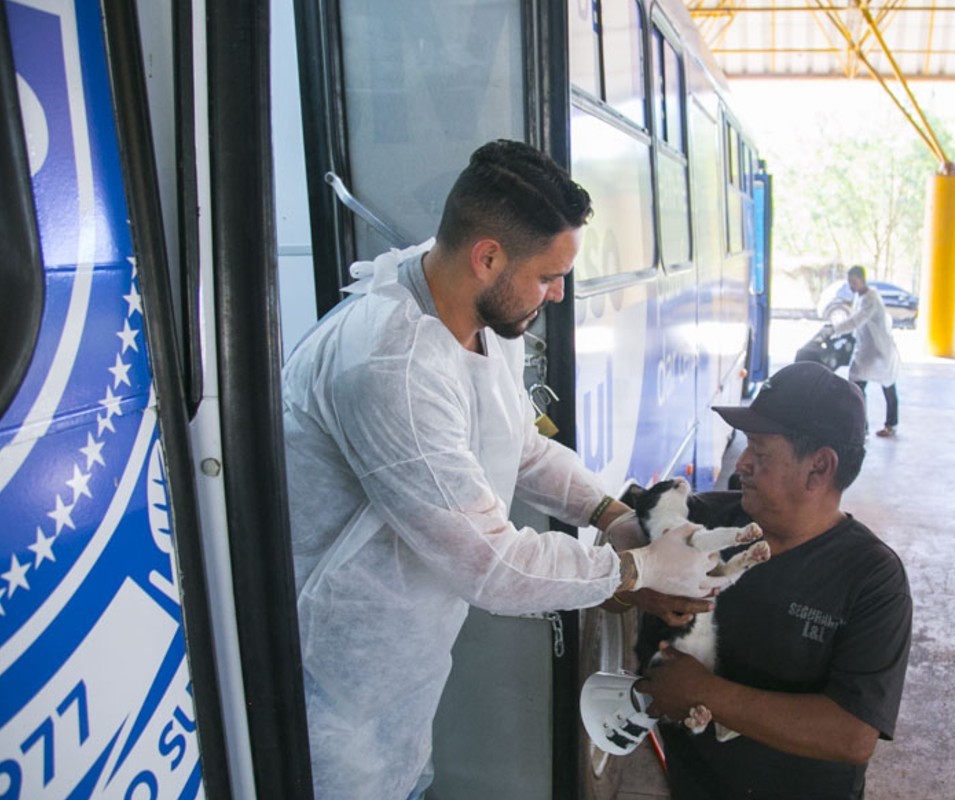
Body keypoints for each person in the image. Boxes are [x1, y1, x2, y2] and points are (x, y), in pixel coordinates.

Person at [282, 140, 726, 799]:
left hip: (406, 666)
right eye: (548, 276)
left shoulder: (481, 321)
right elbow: (493, 566)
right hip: (336, 683)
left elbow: (518, 445)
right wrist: (638, 571)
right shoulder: (391, 366)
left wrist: (611, 516)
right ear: (487, 256)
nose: (556, 294)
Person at [636, 361, 912, 800]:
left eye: (760, 452)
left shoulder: (872, 578)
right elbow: (619, 551)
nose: (741, 463)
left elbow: (852, 735)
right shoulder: (705, 521)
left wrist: (704, 693)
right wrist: (634, 578)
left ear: (819, 468)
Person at [822, 266, 901, 437]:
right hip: (867, 350)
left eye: (854, 282)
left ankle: (888, 424)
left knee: (886, 385)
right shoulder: (861, 296)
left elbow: (857, 320)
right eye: (849, 282)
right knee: (857, 384)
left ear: (862, 280)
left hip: (879, 351)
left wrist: (835, 330)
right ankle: (861, 426)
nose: (851, 286)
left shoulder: (870, 299)